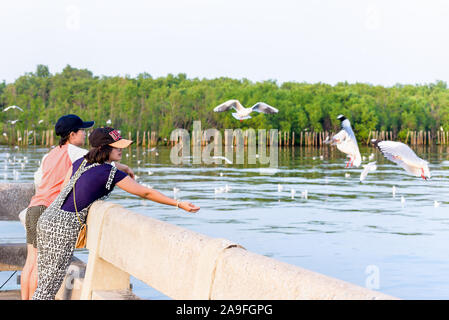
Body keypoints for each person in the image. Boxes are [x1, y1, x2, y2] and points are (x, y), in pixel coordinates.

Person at [32, 127, 200, 300]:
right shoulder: (110, 173)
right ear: (104, 148)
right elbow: (145, 193)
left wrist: (121, 169)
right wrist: (178, 203)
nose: (121, 149)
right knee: (49, 287)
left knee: (45, 282)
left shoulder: (80, 163)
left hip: (48, 218)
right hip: (63, 227)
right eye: (116, 146)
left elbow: (63, 188)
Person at [20, 116, 134, 300]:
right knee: (43, 274)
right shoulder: (75, 153)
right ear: (72, 135)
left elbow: (38, 180)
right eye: (82, 130)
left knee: (31, 262)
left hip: (34, 208)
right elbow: (98, 161)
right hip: (50, 210)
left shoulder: (49, 154)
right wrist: (125, 167)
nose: (85, 134)